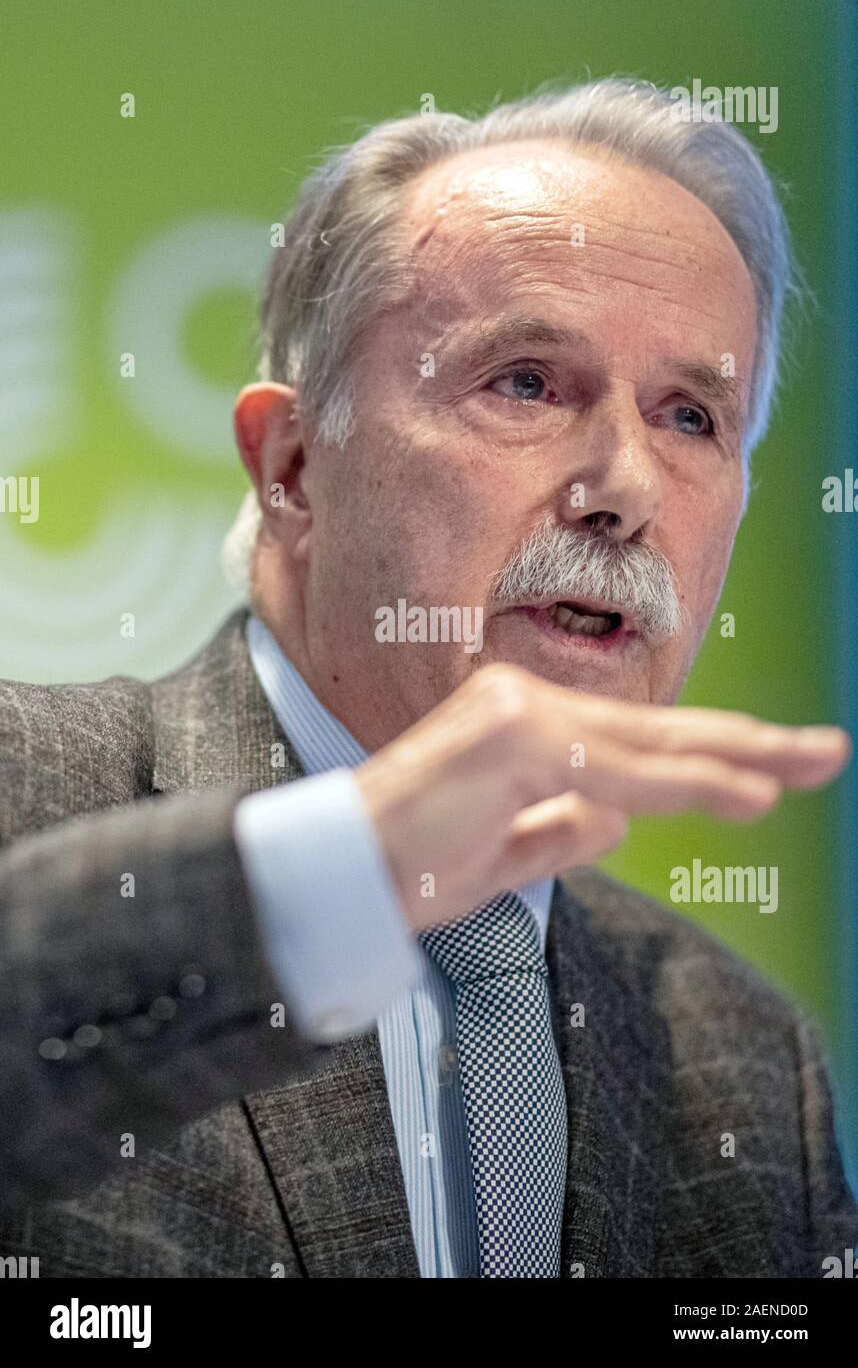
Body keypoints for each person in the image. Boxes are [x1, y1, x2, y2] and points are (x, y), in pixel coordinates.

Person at [1, 78, 855, 1279]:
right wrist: (347, 867)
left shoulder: (748, 1060)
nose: (626, 484)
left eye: (691, 416)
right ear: (294, 465)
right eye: (526, 383)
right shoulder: (21, 789)